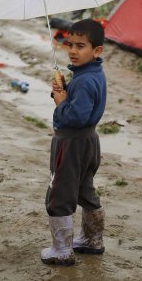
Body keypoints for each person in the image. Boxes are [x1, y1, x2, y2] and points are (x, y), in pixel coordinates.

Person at [41, 19, 107, 266]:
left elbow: (76, 117)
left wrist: (60, 102)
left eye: (81, 46)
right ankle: (92, 241)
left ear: (97, 50)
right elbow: (82, 107)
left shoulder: (84, 81)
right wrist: (64, 90)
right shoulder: (93, 74)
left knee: (60, 193)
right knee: (84, 188)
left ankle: (62, 250)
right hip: (90, 142)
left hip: (71, 143)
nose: (72, 51)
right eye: (70, 44)